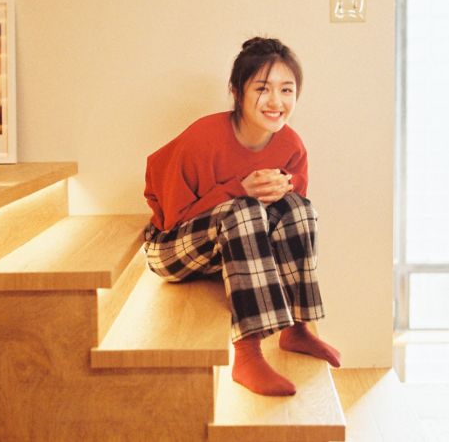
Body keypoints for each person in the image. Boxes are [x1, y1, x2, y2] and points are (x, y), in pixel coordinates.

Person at [143, 37, 340, 396]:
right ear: (236, 92)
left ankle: (296, 329)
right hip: (169, 248)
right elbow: (173, 220)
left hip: (232, 251)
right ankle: (247, 354)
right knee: (244, 210)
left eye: (286, 89)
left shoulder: (291, 146)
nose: (276, 101)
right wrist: (240, 188)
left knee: (299, 209)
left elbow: (287, 233)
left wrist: (282, 190)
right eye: (262, 88)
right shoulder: (202, 138)